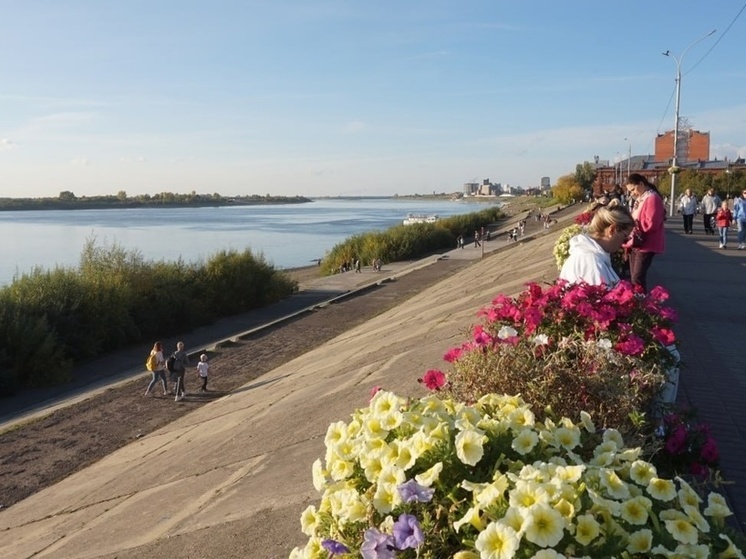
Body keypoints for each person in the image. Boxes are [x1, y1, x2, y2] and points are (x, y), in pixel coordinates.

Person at [559, 200, 635, 286]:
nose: (623, 244)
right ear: (612, 230)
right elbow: (601, 297)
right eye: (625, 237)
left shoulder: (590, 255)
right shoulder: (591, 262)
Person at [624, 173, 666, 292]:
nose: (632, 193)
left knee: (637, 277)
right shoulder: (641, 199)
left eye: (633, 190)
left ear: (641, 184)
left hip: (646, 243)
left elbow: (651, 223)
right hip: (637, 243)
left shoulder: (652, 198)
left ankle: (641, 305)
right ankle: (637, 303)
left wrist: (634, 225)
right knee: (634, 277)